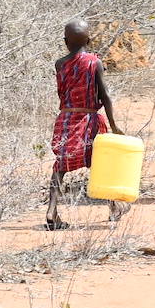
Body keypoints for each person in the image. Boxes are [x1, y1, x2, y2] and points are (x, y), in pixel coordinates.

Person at [45, 17, 124, 229]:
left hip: (66, 118)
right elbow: (105, 95)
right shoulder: (94, 62)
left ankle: (52, 210)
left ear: (65, 41)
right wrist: (114, 125)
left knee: (60, 164)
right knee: (100, 161)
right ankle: (114, 207)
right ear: (89, 40)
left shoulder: (59, 64)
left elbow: (61, 91)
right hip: (89, 119)